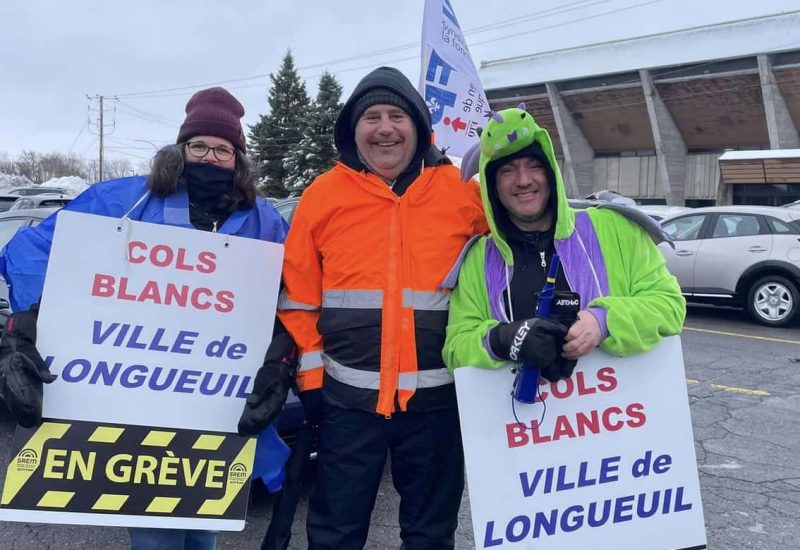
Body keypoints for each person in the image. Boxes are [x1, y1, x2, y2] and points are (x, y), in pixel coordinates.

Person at [0, 87, 290, 550]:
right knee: (154, 530)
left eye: (223, 150)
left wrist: (280, 356)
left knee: (204, 525)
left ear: (238, 158)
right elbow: (35, 251)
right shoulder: (123, 200)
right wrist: (25, 327)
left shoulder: (263, 220)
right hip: (130, 398)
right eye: (199, 146)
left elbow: (291, 290)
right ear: (181, 148)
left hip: (212, 398)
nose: (210, 158)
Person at [242, 66, 487, 550]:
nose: (384, 128)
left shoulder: (463, 194)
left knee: (431, 536)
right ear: (353, 131)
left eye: (397, 114)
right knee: (334, 533)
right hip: (346, 405)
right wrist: (311, 379)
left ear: (418, 125)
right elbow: (299, 296)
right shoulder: (322, 196)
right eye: (371, 116)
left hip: (439, 405)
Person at [443, 105, 685, 377]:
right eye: (507, 171)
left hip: (611, 414)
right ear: (491, 185)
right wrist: (504, 339)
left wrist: (603, 321)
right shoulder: (479, 258)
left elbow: (669, 306)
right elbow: (456, 348)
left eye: (534, 166)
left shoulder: (617, 229)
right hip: (520, 417)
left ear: (551, 172)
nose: (523, 180)